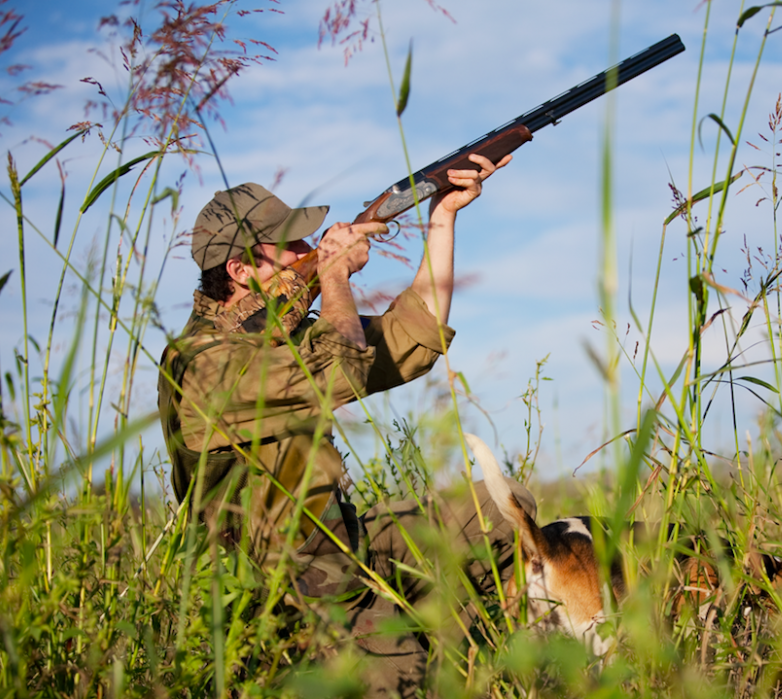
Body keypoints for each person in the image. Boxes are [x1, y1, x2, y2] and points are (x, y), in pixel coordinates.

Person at [157, 154, 535, 697]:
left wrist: (441, 218)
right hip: (292, 591)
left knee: (504, 509)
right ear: (241, 272)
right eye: (290, 247)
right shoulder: (203, 365)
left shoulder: (278, 339)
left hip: (345, 547)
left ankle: (449, 651)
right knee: (402, 687)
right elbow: (343, 363)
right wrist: (332, 274)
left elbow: (414, 338)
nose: (308, 252)